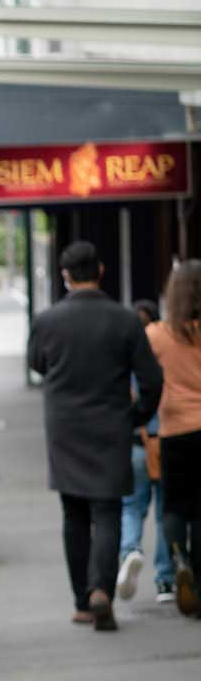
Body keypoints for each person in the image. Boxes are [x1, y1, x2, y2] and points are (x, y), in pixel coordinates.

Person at [26, 240, 163, 631]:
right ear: (100, 271)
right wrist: (136, 415)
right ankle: (103, 589)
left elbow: (36, 364)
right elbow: (152, 379)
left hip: (65, 428)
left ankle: (82, 601)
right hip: (112, 426)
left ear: (65, 275)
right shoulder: (124, 320)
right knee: (107, 511)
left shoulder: (47, 320)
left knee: (74, 512)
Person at [146, 262, 201, 617]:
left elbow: (144, 378)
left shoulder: (156, 334)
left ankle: (179, 557)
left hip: (173, 431)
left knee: (174, 505)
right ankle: (197, 574)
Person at [117, 299, 175, 605]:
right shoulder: (170, 357)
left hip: (136, 442)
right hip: (165, 440)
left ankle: (130, 551)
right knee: (166, 512)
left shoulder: (125, 361)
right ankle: (165, 580)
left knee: (130, 508)